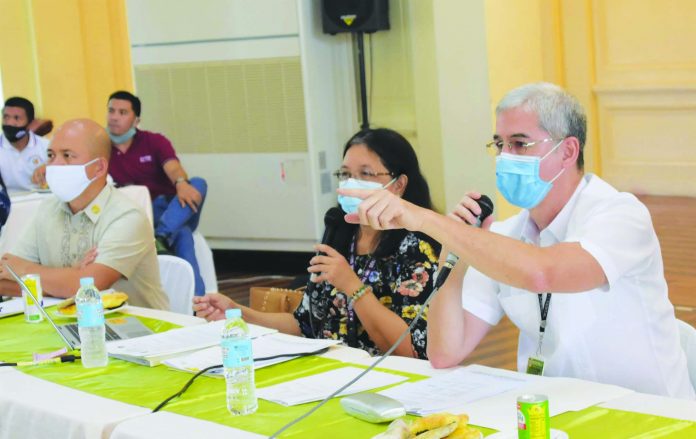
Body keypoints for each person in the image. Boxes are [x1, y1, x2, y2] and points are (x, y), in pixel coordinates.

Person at [338, 83, 695, 399]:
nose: (505, 157)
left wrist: (424, 219)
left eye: (520, 144)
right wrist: (453, 250)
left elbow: (542, 273)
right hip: (554, 413)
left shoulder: (620, 215)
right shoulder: (505, 236)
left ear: (568, 151)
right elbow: (446, 353)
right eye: (499, 144)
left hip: (647, 414)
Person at [194, 128, 440, 359]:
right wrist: (237, 313)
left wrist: (352, 286)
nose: (351, 183)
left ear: (398, 184)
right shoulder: (340, 233)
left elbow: (409, 350)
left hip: (388, 378)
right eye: (345, 174)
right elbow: (305, 324)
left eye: (365, 174)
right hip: (330, 371)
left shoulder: (417, 246)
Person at [0, 119, 169, 310]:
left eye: (67, 155)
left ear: (98, 168)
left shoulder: (127, 216)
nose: (55, 165)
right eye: (51, 155)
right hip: (71, 327)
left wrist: (27, 271)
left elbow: (91, 286)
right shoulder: (47, 209)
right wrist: (71, 278)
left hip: (141, 331)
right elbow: (4, 278)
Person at [105, 91, 208, 297]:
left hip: (172, 208)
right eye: (111, 111)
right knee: (183, 235)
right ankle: (198, 302)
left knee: (197, 183)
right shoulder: (100, 147)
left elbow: (173, 168)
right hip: (137, 214)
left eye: (122, 112)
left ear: (136, 120)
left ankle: (160, 235)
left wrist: (181, 182)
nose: (114, 117)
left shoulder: (153, 141)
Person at [0, 97, 49, 191]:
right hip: (7, 202)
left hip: (40, 200)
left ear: (31, 123)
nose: (10, 123)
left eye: (16, 118)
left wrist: (50, 168)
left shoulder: (47, 146)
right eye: (6, 117)